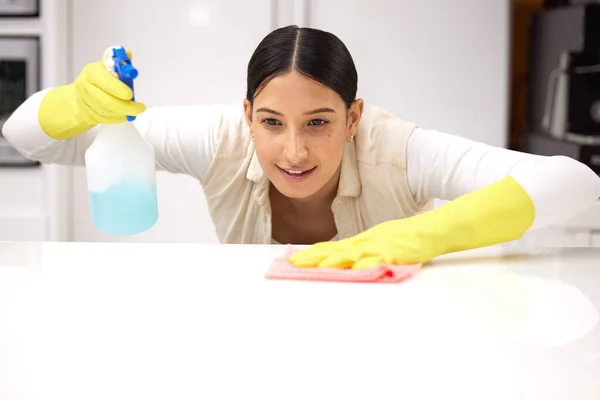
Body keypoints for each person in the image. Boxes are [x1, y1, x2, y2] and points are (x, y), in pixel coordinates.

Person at [3, 25, 600, 270]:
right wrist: (77, 107)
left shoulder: (394, 149)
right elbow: (23, 137)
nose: (293, 151)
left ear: (353, 117)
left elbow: (577, 181)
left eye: (318, 123)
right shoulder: (219, 139)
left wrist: (419, 236)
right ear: (246, 116)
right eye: (271, 122)